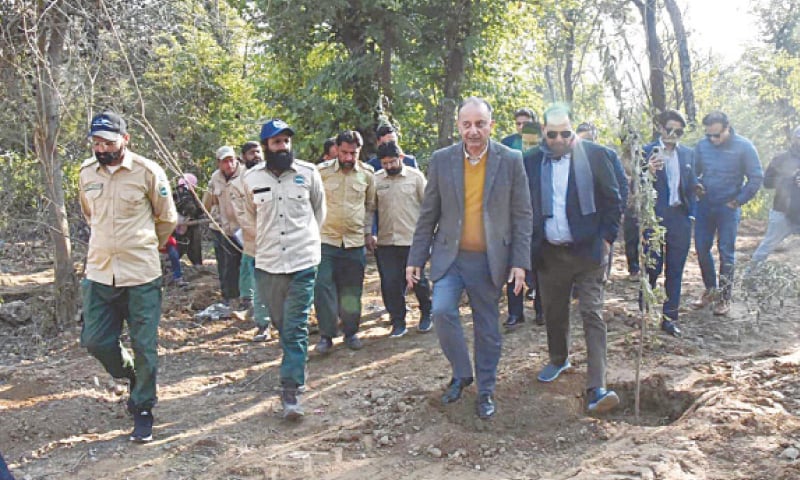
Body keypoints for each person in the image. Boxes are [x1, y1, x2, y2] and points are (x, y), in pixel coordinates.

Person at [407, 97, 533, 419]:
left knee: (487, 329)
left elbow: (522, 215)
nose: (473, 131)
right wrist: (415, 258)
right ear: (459, 126)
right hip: (451, 256)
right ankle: (462, 372)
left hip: (490, 261)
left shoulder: (511, 159)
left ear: (491, 125)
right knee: (442, 311)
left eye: (480, 123)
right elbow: (428, 214)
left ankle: (486, 390)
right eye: (467, 124)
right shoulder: (441, 160)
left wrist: (519, 263)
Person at [78, 111, 178, 442]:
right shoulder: (86, 173)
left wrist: (147, 246)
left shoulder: (148, 172)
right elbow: (89, 214)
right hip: (100, 273)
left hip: (141, 275)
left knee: (145, 344)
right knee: (95, 341)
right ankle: (129, 372)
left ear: (126, 139)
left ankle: (143, 408)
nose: (102, 148)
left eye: (108, 141)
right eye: (96, 142)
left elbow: (166, 219)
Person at [526, 104, 622, 413]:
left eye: (565, 133)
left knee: (592, 314)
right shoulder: (530, 162)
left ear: (572, 130)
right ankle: (559, 359)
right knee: (554, 313)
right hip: (550, 254)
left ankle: (598, 386)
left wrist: (607, 239)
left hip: (588, 252)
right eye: (552, 134)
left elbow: (614, 199)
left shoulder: (596, 155)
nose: (559, 140)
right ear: (543, 132)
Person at [242, 119, 326, 419]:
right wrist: (262, 246)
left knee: (295, 325)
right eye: (277, 142)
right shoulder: (250, 179)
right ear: (266, 146)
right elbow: (248, 219)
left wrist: (306, 242)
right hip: (267, 265)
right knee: (280, 322)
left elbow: (319, 212)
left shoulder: (308, 173)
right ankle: (293, 361)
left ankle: (291, 390)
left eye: (286, 142)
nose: (283, 147)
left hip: (303, 261)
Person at [692, 111, 763, 316]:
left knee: (726, 252)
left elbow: (756, 177)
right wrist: (696, 185)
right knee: (701, 248)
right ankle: (711, 290)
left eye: (717, 135)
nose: (713, 139)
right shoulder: (702, 146)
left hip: (728, 207)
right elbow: (693, 172)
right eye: (709, 135)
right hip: (705, 206)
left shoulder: (744, 146)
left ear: (727, 128)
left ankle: (724, 297)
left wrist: (738, 200)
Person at [315, 130, 377, 353]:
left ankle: (351, 332)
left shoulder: (368, 174)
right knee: (323, 288)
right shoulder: (321, 173)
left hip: (354, 242)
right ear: (336, 150)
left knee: (351, 290)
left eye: (354, 153)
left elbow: (370, 206)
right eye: (345, 153)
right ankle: (326, 335)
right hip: (325, 240)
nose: (349, 158)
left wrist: (368, 233)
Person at [642, 109, 699, 337]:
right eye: (670, 129)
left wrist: (691, 214)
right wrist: (648, 170)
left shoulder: (687, 154)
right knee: (652, 266)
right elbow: (635, 184)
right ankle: (645, 308)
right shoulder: (647, 151)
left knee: (675, 269)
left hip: (680, 217)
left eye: (679, 131)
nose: (673, 134)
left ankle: (670, 318)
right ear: (661, 129)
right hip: (654, 218)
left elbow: (692, 184)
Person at [371, 141, 432, 337]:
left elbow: (429, 207)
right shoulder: (376, 180)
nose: (389, 166)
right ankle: (398, 321)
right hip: (386, 241)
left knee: (418, 281)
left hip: (412, 241)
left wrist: (430, 235)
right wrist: (368, 233)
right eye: (384, 163)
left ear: (401, 158)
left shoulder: (415, 178)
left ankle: (426, 313)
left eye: (392, 162)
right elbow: (370, 210)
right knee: (391, 283)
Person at [575, 121, 629, 282]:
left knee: (602, 258)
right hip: (578, 218)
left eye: (590, 138)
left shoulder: (607, 155)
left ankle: (600, 281)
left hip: (603, 216)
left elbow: (622, 185)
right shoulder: (567, 157)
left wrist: (619, 211)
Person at [230, 141, 272, 341]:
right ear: (243, 157)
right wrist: (265, 237)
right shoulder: (238, 185)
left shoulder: (275, 175)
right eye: (251, 153)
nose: (255, 155)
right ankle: (263, 325)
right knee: (261, 284)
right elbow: (243, 217)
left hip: (284, 242)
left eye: (258, 152)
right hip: (257, 244)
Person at [504, 120, 544, 329]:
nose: (529, 146)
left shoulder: (546, 157)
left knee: (540, 267)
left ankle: (541, 309)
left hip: (540, 219)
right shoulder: (510, 156)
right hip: (514, 219)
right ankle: (515, 312)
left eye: (533, 142)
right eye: (525, 142)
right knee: (515, 265)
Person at [203, 145, 245, 314]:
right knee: (226, 266)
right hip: (222, 228)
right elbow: (207, 202)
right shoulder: (215, 178)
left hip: (243, 229)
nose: (229, 165)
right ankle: (229, 298)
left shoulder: (246, 175)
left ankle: (246, 298)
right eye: (225, 162)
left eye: (231, 160)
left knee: (246, 265)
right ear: (219, 163)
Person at [750, 126, 800, 264]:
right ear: (795, 139)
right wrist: (790, 180)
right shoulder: (781, 159)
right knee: (766, 248)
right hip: (782, 213)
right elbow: (767, 182)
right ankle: (748, 279)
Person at [173, 173, 204, 266]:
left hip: (177, 227)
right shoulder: (187, 195)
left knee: (176, 249)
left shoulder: (175, 194)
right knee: (193, 248)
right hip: (188, 227)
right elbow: (193, 209)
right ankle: (197, 265)